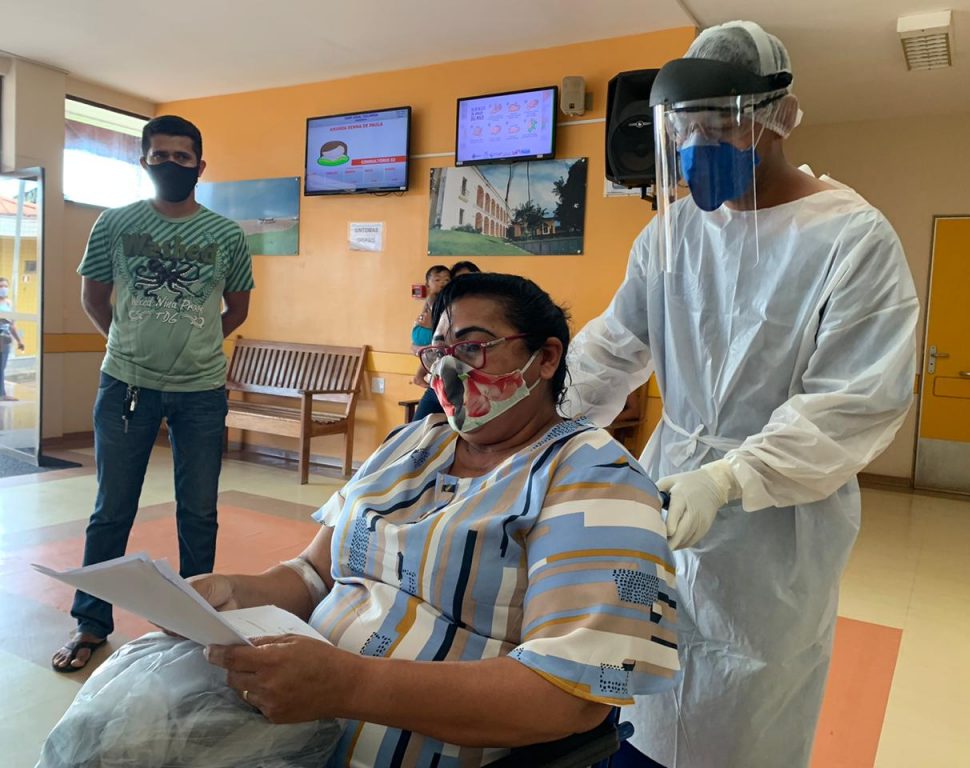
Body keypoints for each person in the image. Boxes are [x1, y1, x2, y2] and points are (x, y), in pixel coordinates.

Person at [43, 273, 682, 767]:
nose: (450, 369)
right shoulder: (410, 446)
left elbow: (567, 697)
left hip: (388, 742)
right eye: (438, 351)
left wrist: (349, 687)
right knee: (99, 739)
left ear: (545, 358)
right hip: (285, 727)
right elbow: (313, 574)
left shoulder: (594, 479)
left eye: (473, 347)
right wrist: (233, 592)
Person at [563, 21, 919, 768]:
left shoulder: (849, 238)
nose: (698, 147)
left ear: (775, 118)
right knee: (639, 685)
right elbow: (610, 351)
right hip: (668, 494)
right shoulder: (671, 236)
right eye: (685, 130)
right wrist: (537, 425)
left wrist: (730, 478)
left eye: (719, 127)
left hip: (776, 524)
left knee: (742, 699)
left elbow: (852, 402)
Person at [51, 115, 254, 672]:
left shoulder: (227, 235)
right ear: (144, 162)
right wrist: (128, 346)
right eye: (159, 156)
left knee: (199, 511)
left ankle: (196, 620)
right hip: (125, 386)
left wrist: (196, 346)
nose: (170, 165)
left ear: (200, 166)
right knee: (111, 510)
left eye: (181, 157)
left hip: (201, 392)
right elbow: (94, 298)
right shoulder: (114, 223)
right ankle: (91, 623)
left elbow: (236, 308)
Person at [411, 262, 483, 421]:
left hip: (473, 384)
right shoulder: (444, 306)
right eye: (458, 280)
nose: (463, 285)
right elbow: (419, 345)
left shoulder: (484, 310)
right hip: (441, 381)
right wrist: (419, 348)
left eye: (469, 279)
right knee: (417, 427)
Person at [410, 265, 451, 389]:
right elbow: (435, 315)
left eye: (446, 280)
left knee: (432, 351)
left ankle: (420, 376)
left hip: (423, 329)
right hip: (425, 330)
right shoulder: (433, 297)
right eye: (437, 280)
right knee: (436, 351)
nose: (443, 283)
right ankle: (420, 376)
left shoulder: (441, 298)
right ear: (427, 285)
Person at [0, 276, 26, 401]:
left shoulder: (9, 303)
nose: (3, 289)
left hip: (5, 339)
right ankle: (2, 394)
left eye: (5, 286)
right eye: (1, 286)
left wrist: (19, 341)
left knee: (2, 366)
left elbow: (12, 325)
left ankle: (1, 393)